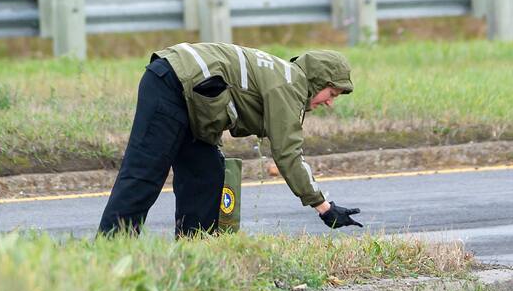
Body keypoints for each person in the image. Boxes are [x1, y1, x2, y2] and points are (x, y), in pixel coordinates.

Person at [98, 42, 363, 237]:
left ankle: (195, 256)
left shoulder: (285, 77)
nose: (329, 102)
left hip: (191, 97)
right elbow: (288, 154)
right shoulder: (290, 85)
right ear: (317, 81)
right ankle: (110, 255)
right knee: (145, 172)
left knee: (206, 173)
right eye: (331, 92)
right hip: (173, 83)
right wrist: (324, 208)